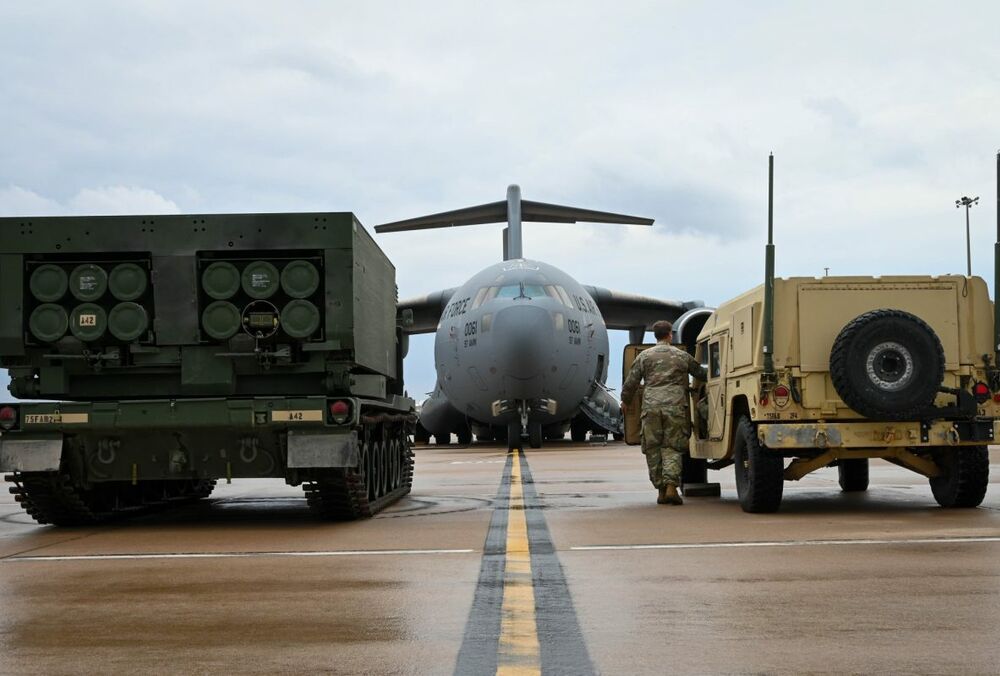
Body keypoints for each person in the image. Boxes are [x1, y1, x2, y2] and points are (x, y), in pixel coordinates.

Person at [621, 320, 707, 505]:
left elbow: (631, 383)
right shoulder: (681, 355)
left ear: (655, 335)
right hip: (675, 406)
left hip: (651, 407)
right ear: (669, 335)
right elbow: (700, 373)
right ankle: (670, 487)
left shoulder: (644, 356)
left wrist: (625, 401)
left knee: (653, 448)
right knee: (673, 447)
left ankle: (660, 490)